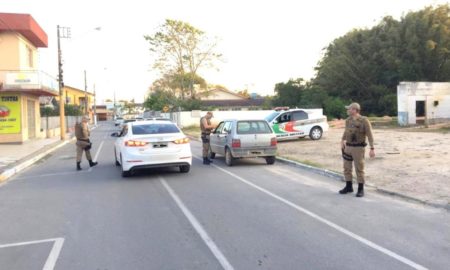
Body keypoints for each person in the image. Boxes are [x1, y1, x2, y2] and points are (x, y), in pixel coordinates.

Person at [339, 103, 375, 197]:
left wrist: (372, 148)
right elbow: (346, 131)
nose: (348, 110)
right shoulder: (348, 120)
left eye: (349, 109)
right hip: (348, 147)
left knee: (359, 168)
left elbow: (370, 135)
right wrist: (342, 140)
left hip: (358, 148)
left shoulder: (364, 120)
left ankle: (360, 189)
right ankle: (349, 186)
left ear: (355, 110)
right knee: (347, 167)